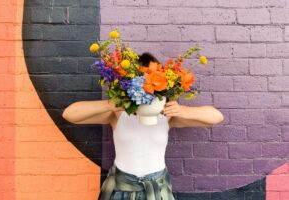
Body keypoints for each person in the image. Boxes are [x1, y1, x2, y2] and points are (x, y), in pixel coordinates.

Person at [62, 53, 224, 200]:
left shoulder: (166, 116)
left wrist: (181, 110)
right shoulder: (118, 114)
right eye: (143, 79)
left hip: (157, 189)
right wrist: (109, 104)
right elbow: (70, 114)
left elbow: (216, 117)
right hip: (121, 188)